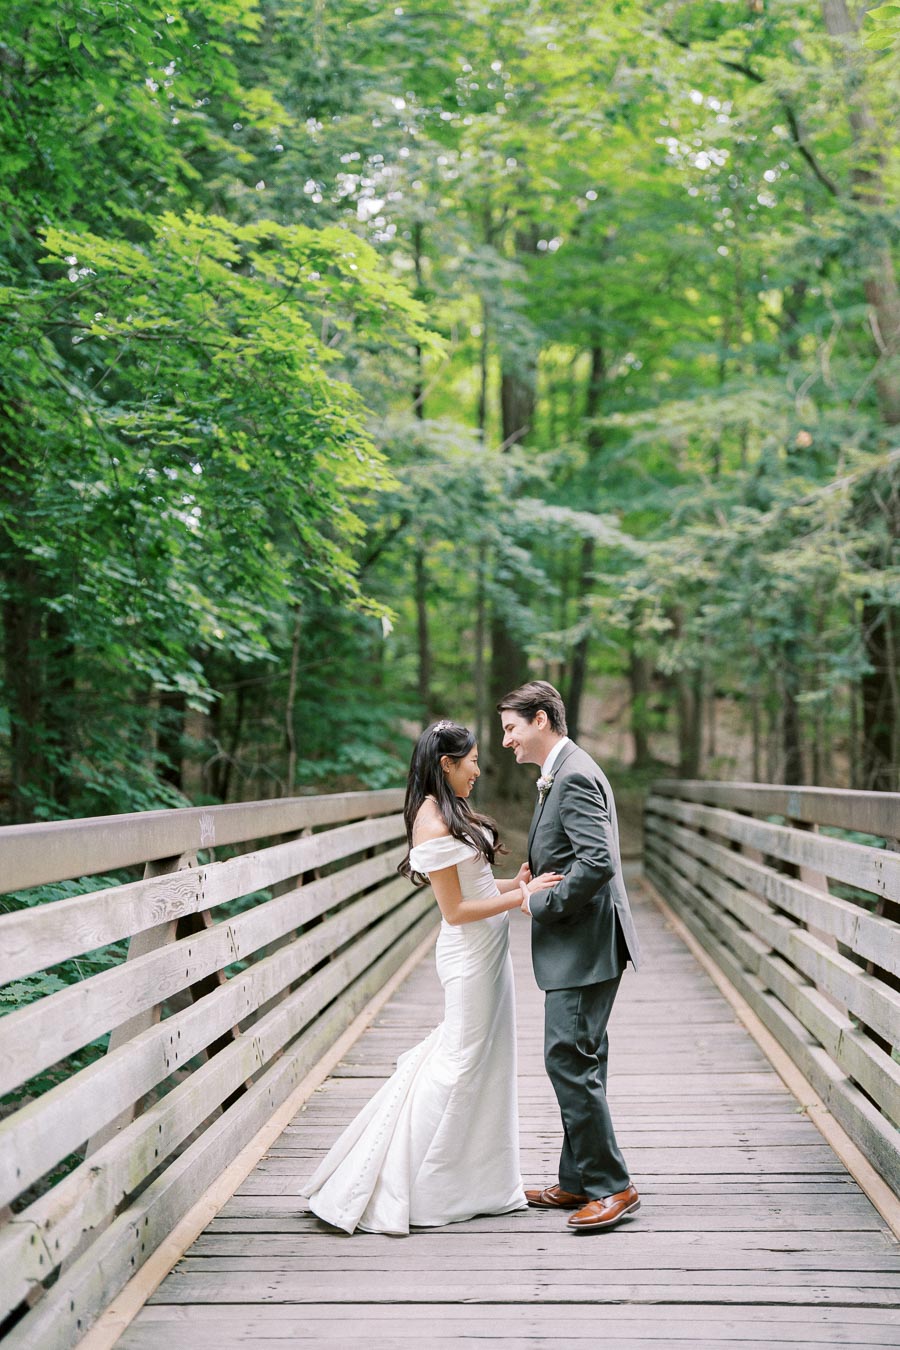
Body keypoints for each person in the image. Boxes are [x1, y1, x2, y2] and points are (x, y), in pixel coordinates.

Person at [301, 719, 562, 1235]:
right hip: (468, 954)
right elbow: (457, 910)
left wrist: (516, 882)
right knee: (460, 1062)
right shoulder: (432, 822)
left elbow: (476, 883)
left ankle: (474, 1183)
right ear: (447, 764)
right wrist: (522, 899)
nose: (479, 771)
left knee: (484, 1060)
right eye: (471, 763)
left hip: (489, 950)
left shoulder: (450, 810)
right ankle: (407, 1182)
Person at [498, 680, 642, 1232]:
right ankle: (578, 1179)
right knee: (581, 1057)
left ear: (540, 720)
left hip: (584, 942)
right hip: (582, 942)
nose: (507, 740)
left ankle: (613, 1187)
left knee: (567, 1057)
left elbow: (598, 861)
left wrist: (543, 903)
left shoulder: (575, 774)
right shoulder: (563, 770)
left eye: (512, 728)